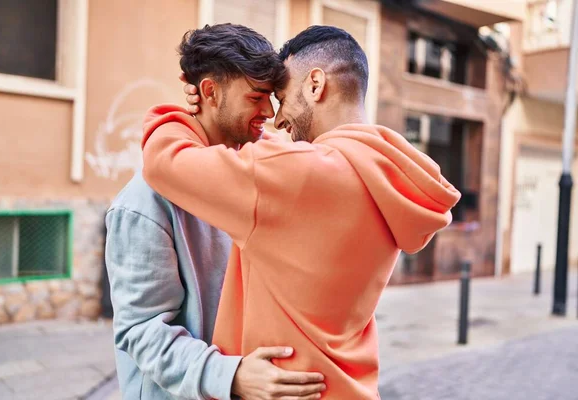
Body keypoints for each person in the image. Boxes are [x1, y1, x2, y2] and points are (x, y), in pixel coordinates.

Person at [141, 25, 461, 399]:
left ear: (314, 85)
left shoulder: (288, 175)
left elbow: (163, 161)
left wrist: (185, 115)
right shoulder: (389, 177)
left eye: (281, 95)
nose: (275, 119)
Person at [105, 23, 326, 400]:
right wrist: (232, 375)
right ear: (209, 91)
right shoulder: (143, 202)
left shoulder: (250, 172)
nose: (269, 112)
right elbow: (141, 330)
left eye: (271, 97)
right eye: (256, 97)